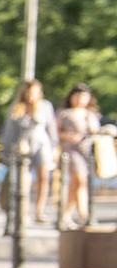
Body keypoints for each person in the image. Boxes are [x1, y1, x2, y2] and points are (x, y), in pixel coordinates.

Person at [0, 79, 58, 223]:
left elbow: (51, 128)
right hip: (22, 147)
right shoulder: (17, 107)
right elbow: (9, 131)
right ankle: (23, 212)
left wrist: (55, 147)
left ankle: (39, 211)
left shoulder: (45, 106)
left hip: (42, 145)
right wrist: (5, 150)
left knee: (43, 178)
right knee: (23, 181)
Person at [56, 83, 102, 228]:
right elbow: (55, 132)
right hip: (71, 152)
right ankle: (84, 214)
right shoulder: (65, 113)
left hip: (87, 152)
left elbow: (96, 132)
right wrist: (69, 136)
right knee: (80, 180)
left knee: (77, 185)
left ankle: (65, 215)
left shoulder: (91, 114)